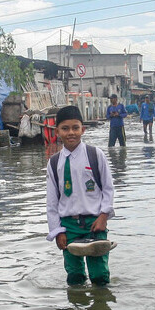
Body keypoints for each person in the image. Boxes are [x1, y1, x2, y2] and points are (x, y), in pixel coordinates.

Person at [46, 105, 115, 287]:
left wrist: (103, 216)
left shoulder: (95, 155)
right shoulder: (54, 163)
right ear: (57, 131)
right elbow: (52, 202)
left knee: (100, 275)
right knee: (74, 277)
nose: (71, 133)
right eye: (65, 128)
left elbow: (108, 188)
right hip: (68, 227)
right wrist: (57, 231)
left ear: (82, 129)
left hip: (95, 223)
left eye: (75, 128)